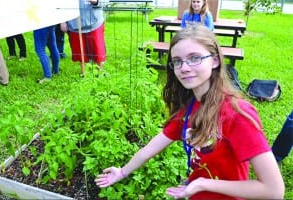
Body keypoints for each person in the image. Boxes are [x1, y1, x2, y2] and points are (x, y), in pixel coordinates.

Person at [95, 25, 284, 199]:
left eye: (194, 58)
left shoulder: (236, 113)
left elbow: (274, 190)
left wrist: (202, 183)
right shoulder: (190, 108)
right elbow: (150, 149)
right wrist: (122, 172)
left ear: (215, 61)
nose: (184, 68)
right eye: (177, 61)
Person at [61, 0, 108, 69]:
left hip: (95, 23)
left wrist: (96, 1)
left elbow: (106, 1)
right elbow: (61, 3)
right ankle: (83, 72)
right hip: (74, 24)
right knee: (79, 49)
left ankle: (100, 71)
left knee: (97, 48)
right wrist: (62, 21)